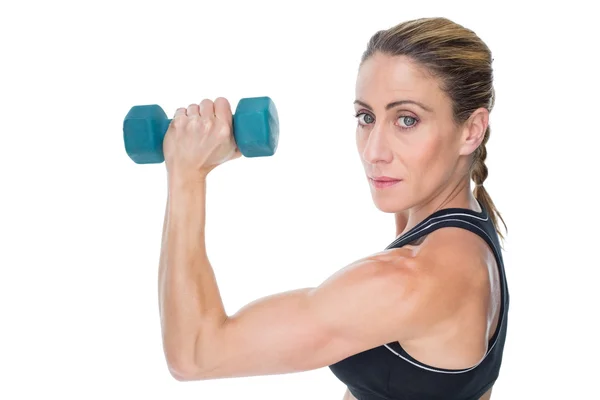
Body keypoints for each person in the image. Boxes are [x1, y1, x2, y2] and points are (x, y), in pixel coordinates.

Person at [157, 16, 509, 400]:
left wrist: (187, 175)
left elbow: (194, 355)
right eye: (366, 118)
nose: (373, 152)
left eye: (407, 120)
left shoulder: (413, 280)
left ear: (471, 130)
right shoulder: (461, 233)